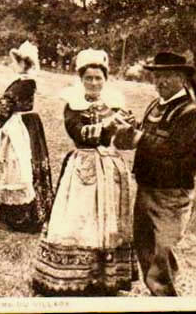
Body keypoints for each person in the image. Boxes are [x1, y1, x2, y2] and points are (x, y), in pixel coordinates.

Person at [32, 48, 138, 296]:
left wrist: (128, 127)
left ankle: (106, 277)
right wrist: (107, 126)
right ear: (81, 80)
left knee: (108, 221)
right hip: (83, 167)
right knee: (79, 220)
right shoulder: (73, 105)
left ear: (105, 79)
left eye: (98, 78)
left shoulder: (115, 104)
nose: (93, 83)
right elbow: (77, 131)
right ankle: (71, 276)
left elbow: (124, 140)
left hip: (111, 167)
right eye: (88, 78)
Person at [113, 52, 196, 296]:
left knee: (163, 247)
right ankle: (161, 290)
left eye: (167, 76)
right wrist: (130, 127)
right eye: (156, 76)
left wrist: (138, 136)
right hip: (146, 185)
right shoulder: (156, 104)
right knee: (144, 243)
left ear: (182, 78)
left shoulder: (191, 112)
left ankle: (166, 296)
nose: (160, 82)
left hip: (172, 192)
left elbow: (173, 148)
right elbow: (144, 137)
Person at [0, 41, 54, 233]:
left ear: (25, 64)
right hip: (21, 125)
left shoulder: (24, 83)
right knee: (15, 166)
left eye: (15, 61)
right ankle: (11, 211)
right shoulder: (23, 82)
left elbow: (5, 105)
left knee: (20, 166)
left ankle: (24, 214)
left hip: (21, 128)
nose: (12, 64)